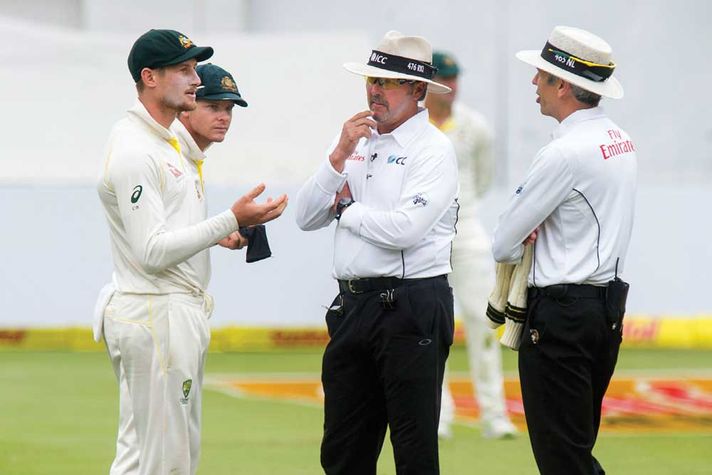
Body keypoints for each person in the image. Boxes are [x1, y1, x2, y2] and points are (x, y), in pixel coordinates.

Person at [95, 29, 287, 475]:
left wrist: (220, 232)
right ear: (150, 77)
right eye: (184, 70)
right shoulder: (137, 149)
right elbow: (150, 252)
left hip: (164, 311)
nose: (196, 80)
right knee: (170, 463)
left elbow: (166, 230)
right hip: (157, 314)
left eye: (195, 69)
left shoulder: (166, 143)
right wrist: (230, 220)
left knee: (141, 458)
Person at [296, 30, 459, 474]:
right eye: (372, 79)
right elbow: (306, 216)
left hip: (409, 305)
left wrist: (345, 209)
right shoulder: (353, 139)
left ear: (418, 90)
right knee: (344, 450)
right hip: (352, 306)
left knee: (414, 451)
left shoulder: (434, 150)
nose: (374, 90)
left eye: (387, 82)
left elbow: (405, 229)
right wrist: (338, 156)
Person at [492, 26, 636, 474]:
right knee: (575, 448)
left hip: (562, 315)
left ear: (565, 85)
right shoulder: (620, 141)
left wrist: (530, 229)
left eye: (543, 74)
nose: (535, 82)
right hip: (603, 309)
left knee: (563, 460)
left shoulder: (565, 152)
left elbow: (503, 242)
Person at [424, 51, 517, 440]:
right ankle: (439, 414)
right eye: (444, 78)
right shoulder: (414, 126)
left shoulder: (475, 127)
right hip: (424, 239)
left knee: (482, 323)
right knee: (432, 327)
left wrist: (460, 214)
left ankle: (494, 415)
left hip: (467, 234)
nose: (452, 85)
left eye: (455, 77)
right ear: (427, 84)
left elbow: (482, 180)